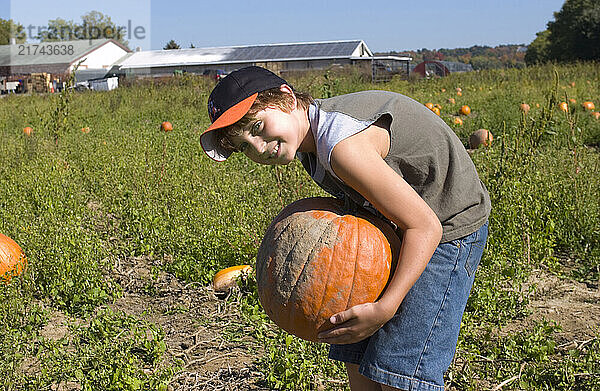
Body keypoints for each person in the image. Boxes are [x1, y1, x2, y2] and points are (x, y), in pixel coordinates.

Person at [200, 66, 491, 391]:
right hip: (404, 224)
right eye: (243, 145)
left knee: (402, 370)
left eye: (257, 126)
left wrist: (385, 308)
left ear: (286, 96)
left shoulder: (341, 148)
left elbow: (426, 227)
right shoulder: (311, 143)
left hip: (448, 226)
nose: (257, 146)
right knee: (356, 353)